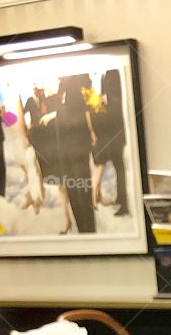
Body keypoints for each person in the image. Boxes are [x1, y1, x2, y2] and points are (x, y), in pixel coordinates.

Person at [55, 74, 95, 233]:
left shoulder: (62, 110)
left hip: (71, 156)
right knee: (81, 194)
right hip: (76, 155)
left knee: (77, 194)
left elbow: (59, 141)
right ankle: (88, 230)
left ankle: (85, 230)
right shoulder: (81, 109)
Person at [90, 70, 129, 216]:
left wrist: (106, 100)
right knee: (117, 167)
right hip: (109, 131)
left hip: (116, 131)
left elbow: (119, 99)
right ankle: (121, 198)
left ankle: (124, 205)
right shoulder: (105, 74)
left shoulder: (113, 73)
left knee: (119, 168)